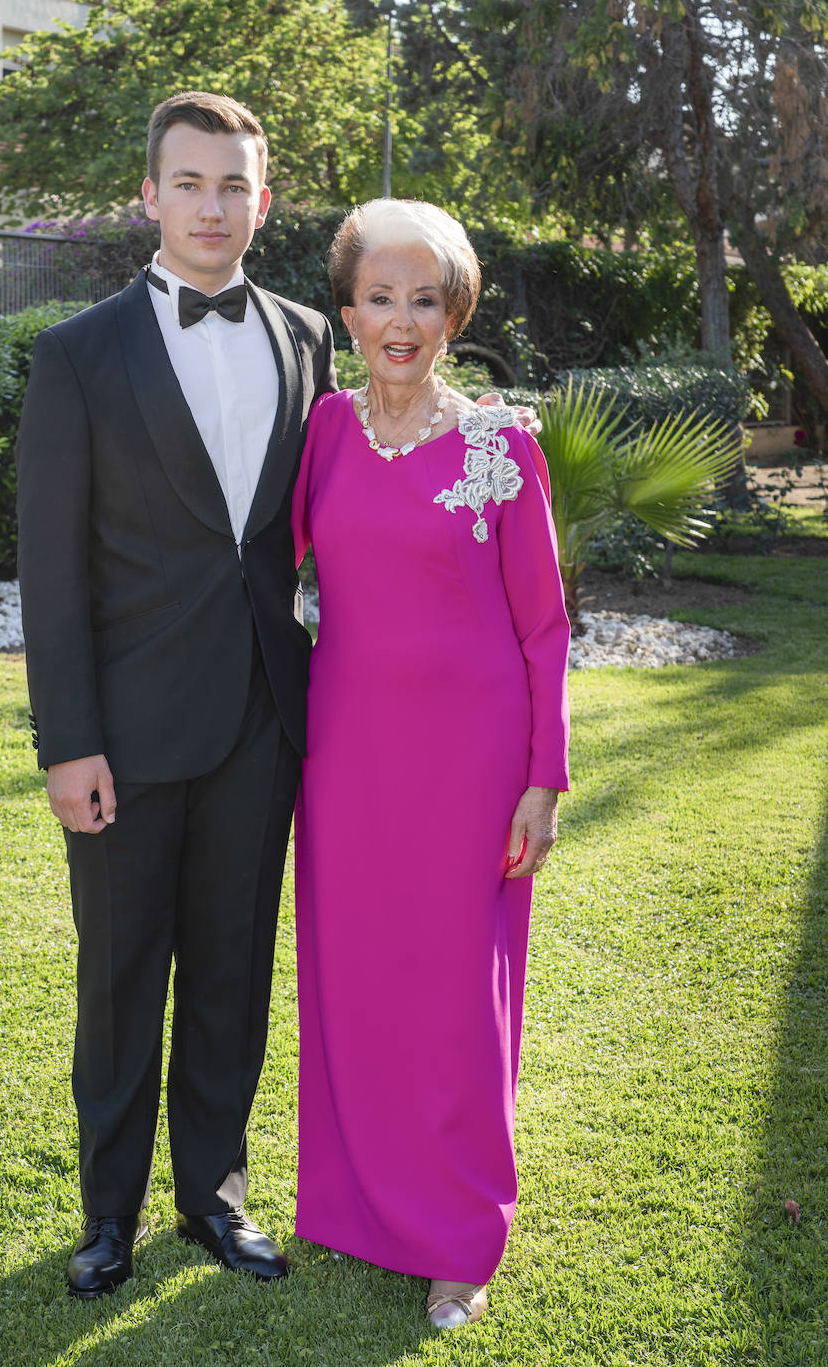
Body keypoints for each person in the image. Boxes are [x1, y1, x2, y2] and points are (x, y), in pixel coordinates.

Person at [15, 90, 337, 1297]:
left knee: (230, 971)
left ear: (265, 198)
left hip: (264, 717)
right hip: (128, 734)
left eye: (235, 184)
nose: (213, 206)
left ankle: (214, 1198)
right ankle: (107, 1217)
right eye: (190, 183)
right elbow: (50, 575)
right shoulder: (77, 353)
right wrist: (69, 742)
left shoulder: (308, 336)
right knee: (119, 978)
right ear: (148, 196)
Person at [291, 199, 571, 1331]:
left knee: (460, 998)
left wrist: (542, 778)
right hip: (346, 754)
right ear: (347, 307)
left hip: (472, 765)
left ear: (453, 311)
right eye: (377, 296)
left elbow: (543, 628)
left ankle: (461, 1238)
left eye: (423, 299)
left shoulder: (504, 443)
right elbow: (260, 565)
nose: (398, 320)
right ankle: (355, 1211)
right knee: (355, 980)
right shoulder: (322, 430)